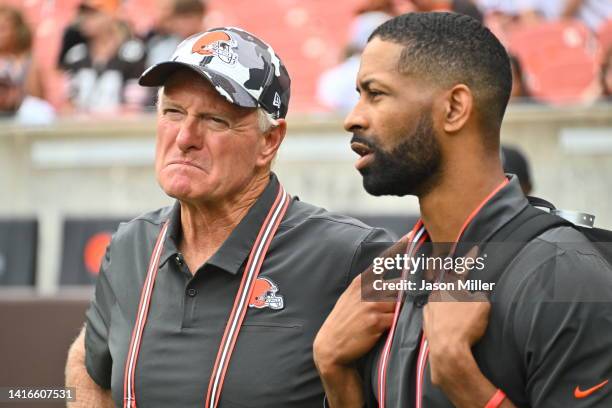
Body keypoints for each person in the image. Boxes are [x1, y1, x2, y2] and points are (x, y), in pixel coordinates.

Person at [64, 27, 391, 407]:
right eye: (173, 112)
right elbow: (89, 362)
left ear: (269, 142)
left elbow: (469, 274)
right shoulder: (129, 246)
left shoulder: (345, 252)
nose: (185, 136)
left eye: (215, 120)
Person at [314, 12, 612, 408]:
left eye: (376, 93)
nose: (353, 118)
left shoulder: (567, 273)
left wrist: (459, 372)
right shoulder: (388, 272)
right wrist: (333, 369)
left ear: (454, 108)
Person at [59, 0, 147, 113]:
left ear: (112, 15)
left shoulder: (132, 53)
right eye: (83, 13)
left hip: (120, 127)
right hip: (81, 127)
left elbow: (134, 106)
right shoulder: (75, 55)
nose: (85, 18)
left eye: (93, 13)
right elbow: (68, 104)